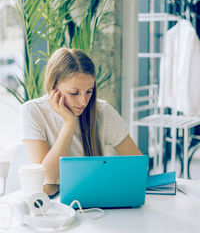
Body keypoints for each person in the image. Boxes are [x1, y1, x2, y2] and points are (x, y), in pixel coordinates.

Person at [20, 48, 142, 190]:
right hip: (52, 204)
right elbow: (48, 177)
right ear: (54, 87)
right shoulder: (33, 111)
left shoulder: (102, 110)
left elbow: (137, 165)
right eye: (74, 93)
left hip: (95, 199)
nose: (83, 101)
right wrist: (69, 123)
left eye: (89, 91)